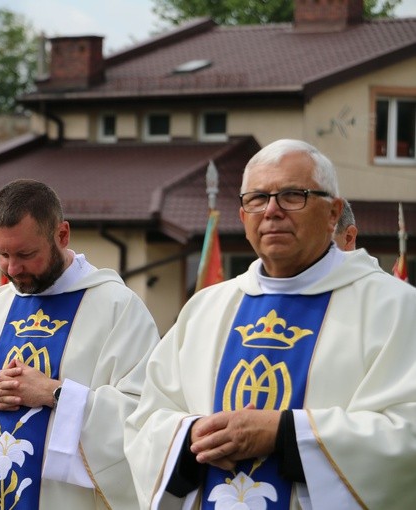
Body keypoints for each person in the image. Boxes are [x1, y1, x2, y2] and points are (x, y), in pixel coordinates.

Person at [125, 139, 416, 510]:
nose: (272, 211)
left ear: (333, 213)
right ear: (243, 216)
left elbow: (407, 437)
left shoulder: (395, 307)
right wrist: (190, 434)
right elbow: (145, 422)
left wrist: (285, 433)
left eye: (293, 195)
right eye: (257, 199)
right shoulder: (206, 308)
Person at [0, 179, 160, 509]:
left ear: (62, 235)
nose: (12, 269)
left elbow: (146, 417)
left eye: (25, 254)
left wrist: (56, 394)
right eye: (2, 254)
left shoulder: (118, 309)